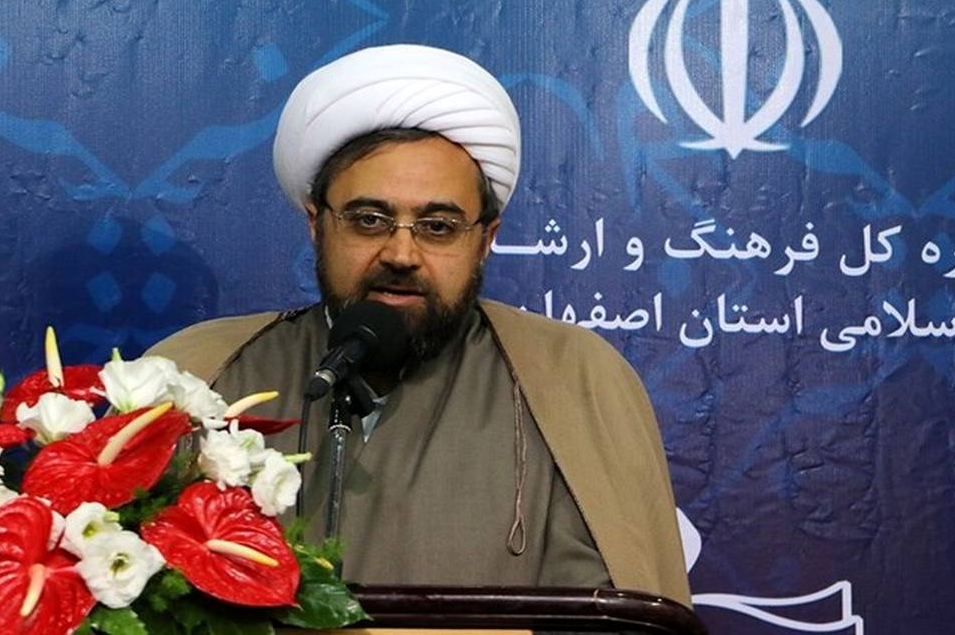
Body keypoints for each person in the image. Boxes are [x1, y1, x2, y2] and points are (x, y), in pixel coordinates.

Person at [148, 44, 691, 605]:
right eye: (369, 220)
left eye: (438, 227)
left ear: (486, 239)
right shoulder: (200, 374)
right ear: (316, 223)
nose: (401, 254)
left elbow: (621, 613)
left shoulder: (575, 380)